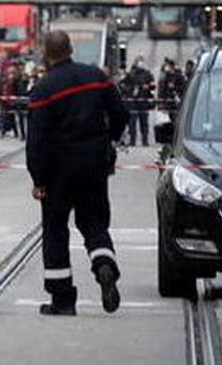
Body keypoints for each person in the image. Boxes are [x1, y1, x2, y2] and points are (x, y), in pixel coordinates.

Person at [27, 31, 129, 316]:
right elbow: (121, 114)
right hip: (94, 165)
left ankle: (63, 300)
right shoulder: (96, 76)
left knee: (56, 231)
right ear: (71, 49)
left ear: (46, 54)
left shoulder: (44, 89)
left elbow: (36, 139)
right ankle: (103, 264)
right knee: (95, 223)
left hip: (58, 171)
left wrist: (38, 179)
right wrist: (109, 141)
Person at [120, 57, 155, 147]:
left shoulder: (147, 74)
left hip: (144, 102)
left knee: (144, 122)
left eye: (141, 62)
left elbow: (153, 86)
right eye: (139, 62)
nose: (140, 64)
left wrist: (148, 88)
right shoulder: (131, 74)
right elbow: (122, 85)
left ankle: (145, 141)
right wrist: (130, 90)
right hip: (133, 102)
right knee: (132, 123)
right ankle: (132, 141)